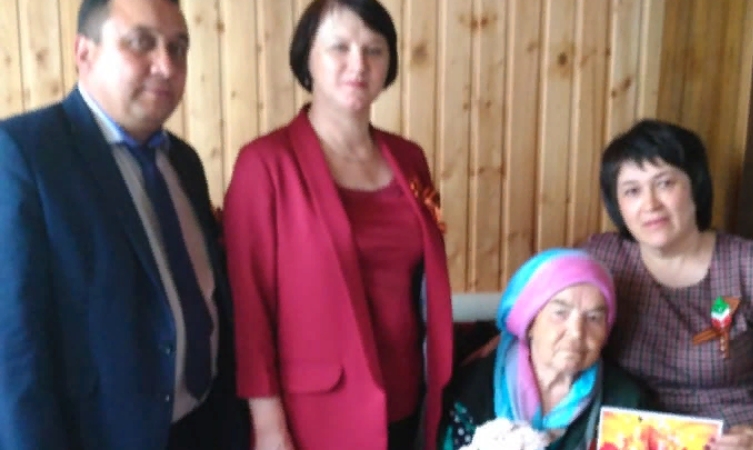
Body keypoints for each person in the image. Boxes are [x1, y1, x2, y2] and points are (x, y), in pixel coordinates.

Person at [0, 0, 249, 449]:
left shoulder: (184, 162)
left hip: (205, 426)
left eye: (178, 48)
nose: (166, 66)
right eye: (141, 43)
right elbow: (14, 353)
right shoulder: (27, 155)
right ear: (85, 53)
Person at [222, 0, 453, 449]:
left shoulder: (409, 159)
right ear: (306, 58)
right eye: (339, 47)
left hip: (408, 399)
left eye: (374, 49)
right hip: (314, 416)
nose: (358, 64)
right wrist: (268, 425)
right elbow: (249, 310)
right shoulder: (264, 164)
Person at [585, 119, 753, 450]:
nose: (651, 204)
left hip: (737, 437)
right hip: (634, 438)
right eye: (632, 191)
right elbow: (536, 317)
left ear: (695, 186)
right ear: (618, 205)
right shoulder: (601, 259)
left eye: (665, 183)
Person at [439, 249, 647, 450]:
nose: (577, 332)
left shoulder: (625, 401)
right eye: (560, 313)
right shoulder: (474, 388)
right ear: (529, 322)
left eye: (593, 318)